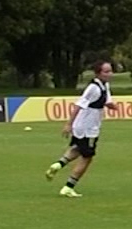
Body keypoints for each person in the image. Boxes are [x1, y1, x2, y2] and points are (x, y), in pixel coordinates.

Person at [46, 60, 113, 198]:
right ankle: (68, 187)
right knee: (87, 157)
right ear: (98, 73)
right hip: (88, 128)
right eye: (106, 72)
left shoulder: (104, 85)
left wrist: (112, 106)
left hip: (84, 126)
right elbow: (79, 105)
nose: (109, 74)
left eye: (110, 71)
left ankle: (58, 165)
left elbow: (107, 101)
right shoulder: (93, 88)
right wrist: (68, 124)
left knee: (77, 148)